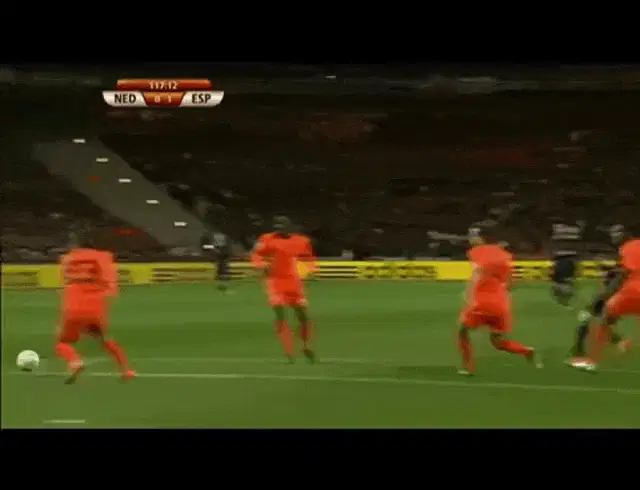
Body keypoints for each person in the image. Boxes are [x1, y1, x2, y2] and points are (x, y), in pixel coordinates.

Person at [457, 224, 542, 375]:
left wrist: (468, 292)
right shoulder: (504, 254)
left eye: (472, 236)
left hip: (482, 302)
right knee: (498, 342)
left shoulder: (476, 252)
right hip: (501, 304)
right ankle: (526, 350)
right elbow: (512, 283)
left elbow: (476, 272)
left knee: (463, 331)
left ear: (480, 238)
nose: (470, 239)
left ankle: (468, 368)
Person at [55, 230, 134, 384]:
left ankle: (75, 361)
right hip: (95, 308)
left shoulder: (67, 259)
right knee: (105, 339)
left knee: (61, 343)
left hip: (73, 306)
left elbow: (65, 281)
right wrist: (111, 291)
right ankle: (126, 370)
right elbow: (109, 278)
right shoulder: (102, 256)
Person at [251, 216, 316, 363]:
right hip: (274, 282)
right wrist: (262, 265)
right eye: (276, 226)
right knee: (280, 314)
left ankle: (305, 346)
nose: (278, 229)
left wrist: (308, 273)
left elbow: (308, 259)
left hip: (293, 282)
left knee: (303, 315)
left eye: (281, 226)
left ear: (289, 226)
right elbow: (256, 255)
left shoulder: (302, 241)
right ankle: (288, 352)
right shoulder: (266, 239)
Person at [575, 225, 639, 372]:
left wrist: (603, 295)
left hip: (633, 290)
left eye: (614, 234)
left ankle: (592, 361)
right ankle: (624, 343)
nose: (612, 237)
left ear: (624, 235)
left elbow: (623, 274)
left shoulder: (626, 249)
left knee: (602, 318)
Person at [566, 260, 629, 365]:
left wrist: (591, 305)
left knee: (588, 327)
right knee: (598, 326)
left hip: (604, 305)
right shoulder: (618, 278)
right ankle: (618, 342)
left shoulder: (617, 280)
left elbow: (606, 293)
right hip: (605, 305)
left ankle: (579, 351)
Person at [549, 221, 584, 307]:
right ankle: (563, 298)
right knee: (562, 286)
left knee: (563, 286)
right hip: (565, 263)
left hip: (565, 263)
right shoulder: (573, 233)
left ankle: (563, 299)